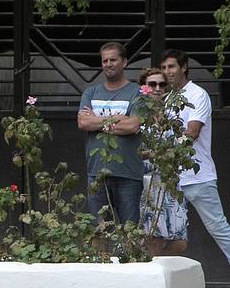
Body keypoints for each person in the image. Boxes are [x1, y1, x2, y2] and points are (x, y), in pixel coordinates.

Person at [160, 48, 230, 266]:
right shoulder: (168, 98)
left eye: (171, 66)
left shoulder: (198, 94)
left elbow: (192, 132)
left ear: (184, 67)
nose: (167, 71)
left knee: (218, 229)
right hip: (172, 178)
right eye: (163, 67)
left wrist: (165, 150)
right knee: (166, 232)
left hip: (198, 175)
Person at [77, 42, 143, 227]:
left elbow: (132, 125)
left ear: (124, 62)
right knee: (99, 231)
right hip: (96, 174)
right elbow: (83, 122)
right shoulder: (91, 92)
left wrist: (96, 120)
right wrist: (116, 119)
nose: (108, 64)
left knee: (130, 232)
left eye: (113, 60)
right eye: (104, 61)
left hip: (128, 175)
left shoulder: (137, 93)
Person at [135, 67, 188, 257]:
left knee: (179, 240)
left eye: (162, 84)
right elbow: (133, 152)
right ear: (143, 87)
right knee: (153, 238)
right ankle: (150, 270)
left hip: (170, 181)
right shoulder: (137, 115)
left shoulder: (172, 115)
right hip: (148, 182)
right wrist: (154, 153)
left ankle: (156, 267)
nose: (157, 88)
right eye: (152, 84)